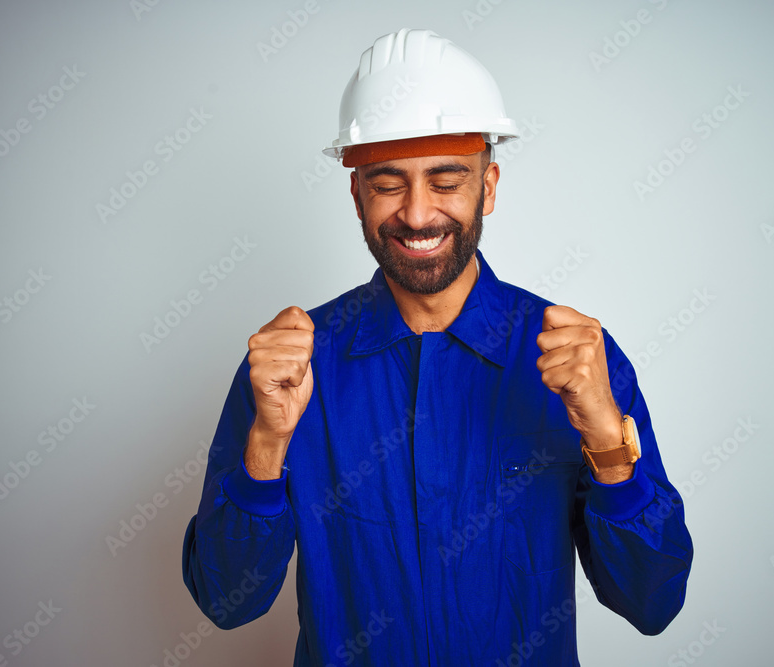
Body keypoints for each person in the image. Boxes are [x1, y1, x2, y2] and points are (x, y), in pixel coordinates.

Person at [182, 27, 693, 666]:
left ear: (490, 186)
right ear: (357, 193)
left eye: (447, 180)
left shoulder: (579, 361)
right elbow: (227, 602)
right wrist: (267, 444)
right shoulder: (289, 370)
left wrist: (605, 441)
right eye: (388, 182)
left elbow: (652, 602)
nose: (418, 214)